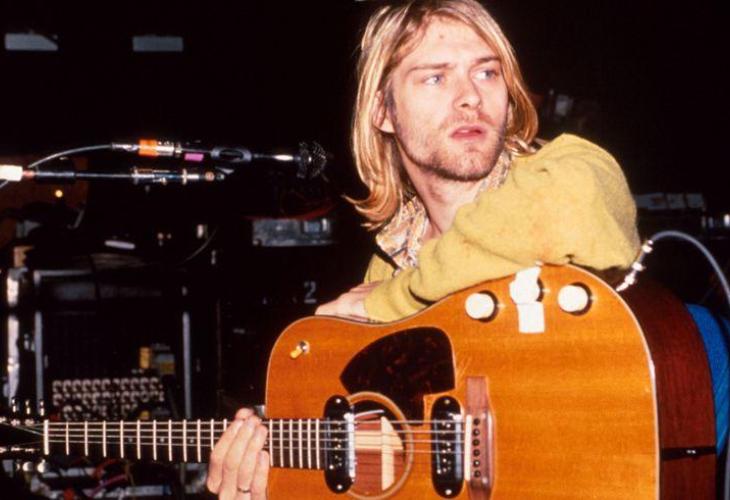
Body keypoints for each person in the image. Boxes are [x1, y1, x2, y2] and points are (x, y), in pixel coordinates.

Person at [206, 0, 640, 497]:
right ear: (383, 111)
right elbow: (403, 467)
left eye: (487, 72)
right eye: (435, 77)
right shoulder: (387, 264)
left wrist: (391, 303)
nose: (470, 97)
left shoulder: (570, 171)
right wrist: (274, 489)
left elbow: (573, 213)